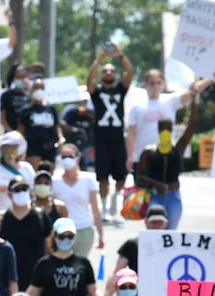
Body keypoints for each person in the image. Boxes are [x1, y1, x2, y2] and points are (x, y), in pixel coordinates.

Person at [125, 69, 206, 174]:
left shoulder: (170, 100)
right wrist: (130, 156)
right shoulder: (136, 106)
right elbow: (131, 133)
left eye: (159, 83)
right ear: (146, 85)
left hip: (166, 155)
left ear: (164, 84)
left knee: (165, 188)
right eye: (152, 83)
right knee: (143, 189)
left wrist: (210, 79)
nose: (155, 86)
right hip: (142, 157)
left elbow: (193, 91)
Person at [86, 48, 135, 220]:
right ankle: (104, 206)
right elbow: (89, 80)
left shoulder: (120, 90)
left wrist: (120, 55)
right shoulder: (97, 93)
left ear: (116, 75)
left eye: (112, 71)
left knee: (122, 176)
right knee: (103, 176)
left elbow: (130, 71)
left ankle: (116, 198)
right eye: (105, 71)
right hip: (101, 140)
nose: (108, 73)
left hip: (117, 139)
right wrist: (99, 58)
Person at [133, 113, 197, 229]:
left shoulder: (177, 150)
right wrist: (156, 184)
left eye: (168, 128)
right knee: (155, 231)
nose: (165, 131)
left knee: (171, 231)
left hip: (173, 195)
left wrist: (194, 102)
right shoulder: (149, 152)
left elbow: (191, 128)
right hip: (155, 195)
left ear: (172, 130)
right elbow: (139, 177)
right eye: (162, 128)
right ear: (158, 130)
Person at [27, 218, 99, 296]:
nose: (66, 240)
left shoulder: (83, 262)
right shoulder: (43, 264)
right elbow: (33, 292)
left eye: (70, 236)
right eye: (62, 236)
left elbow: (93, 291)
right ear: (54, 237)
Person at [50, 143, 103, 256]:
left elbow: (95, 208)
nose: (67, 159)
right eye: (64, 157)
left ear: (78, 158)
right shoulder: (55, 181)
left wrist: (101, 234)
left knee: (79, 264)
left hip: (84, 229)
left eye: (70, 156)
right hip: (61, 230)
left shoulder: (88, 179)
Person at [0, 131, 36, 213]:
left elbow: (34, 192)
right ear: (1, 149)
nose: (10, 149)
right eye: (7, 146)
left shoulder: (26, 168)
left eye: (13, 146)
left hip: (25, 213)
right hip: (1, 213)